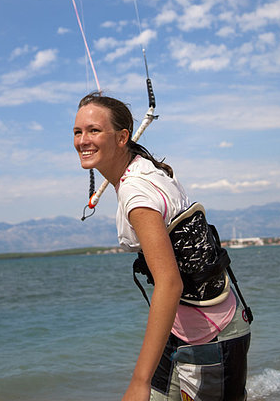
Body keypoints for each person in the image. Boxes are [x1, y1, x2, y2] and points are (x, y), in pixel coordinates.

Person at [73, 92, 251, 401]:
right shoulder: (147, 167)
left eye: (94, 130)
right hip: (181, 328)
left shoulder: (136, 192)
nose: (82, 140)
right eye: (78, 131)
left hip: (210, 336)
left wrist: (139, 381)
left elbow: (169, 282)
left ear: (122, 137)